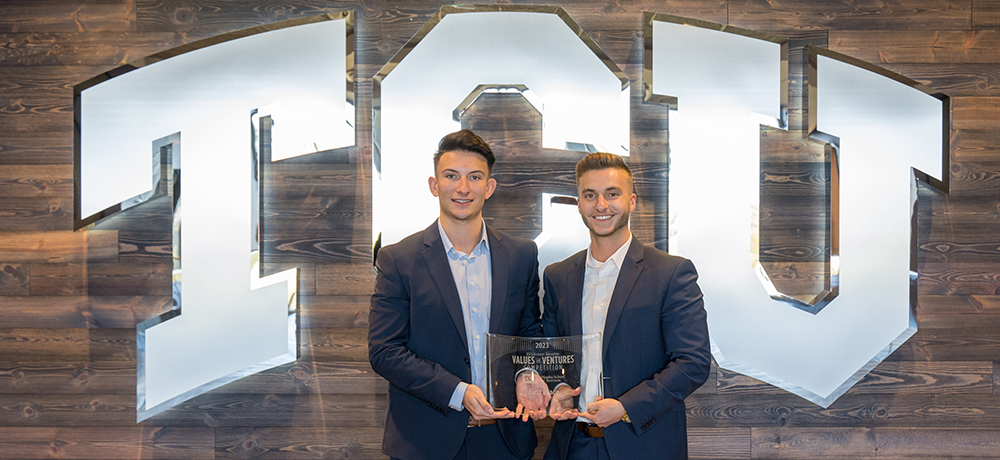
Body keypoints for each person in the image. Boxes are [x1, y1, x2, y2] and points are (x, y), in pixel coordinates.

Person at [369, 129, 547, 460]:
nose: (462, 188)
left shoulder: (521, 255)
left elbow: (527, 335)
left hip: (505, 438)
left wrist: (529, 374)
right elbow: (384, 351)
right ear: (434, 185)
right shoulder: (399, 259)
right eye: (451, 176)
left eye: (474, 177)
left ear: (489, 187)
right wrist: (458, 392)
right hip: (425, 440)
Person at [541, 152, 711, 460]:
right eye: (590, 195)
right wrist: (559, 390)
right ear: (578, 203)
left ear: (631, 201)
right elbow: (555, 355)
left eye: (612, 194)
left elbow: (693, 362)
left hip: (643, 443)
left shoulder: (670, 273)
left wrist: (624, 408)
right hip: (571, 445)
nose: (601, 206)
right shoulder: (557, 276)